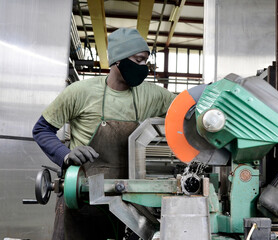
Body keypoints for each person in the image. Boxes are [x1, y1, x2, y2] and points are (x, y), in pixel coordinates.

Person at [32, 28, 176, 240]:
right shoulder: (80, 93)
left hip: (130, 204)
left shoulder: (152, 95)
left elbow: (186, 109)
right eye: (139, 60)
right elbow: (42, 129)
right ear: (118, 61)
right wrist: (65, 154)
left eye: (146, 61)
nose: (144, 67)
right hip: (83, 201)